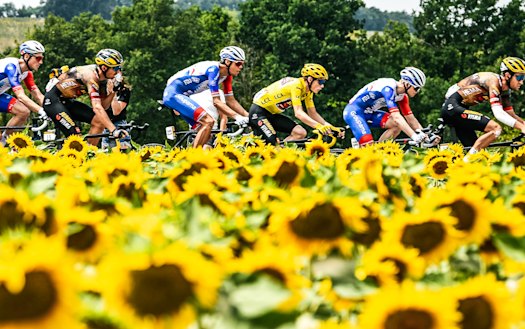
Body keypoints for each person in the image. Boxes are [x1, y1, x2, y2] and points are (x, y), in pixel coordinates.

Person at [162, 46, 249, 148]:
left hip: (182, 96)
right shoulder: (214, 70)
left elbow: (231, 101)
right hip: (173, 93)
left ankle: (186, 157)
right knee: (208, 121)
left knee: (206, 134)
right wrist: (237, 117)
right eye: (238, 63)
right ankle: (191, 158)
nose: (241, 67)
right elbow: (216, 101)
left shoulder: (227, 76)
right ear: (227, 62)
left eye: (242, 64)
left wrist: (248, 116)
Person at [441, 57, 525, 160]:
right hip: (453, 107)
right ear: (508, 75)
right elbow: (498, 114)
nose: (521, 82)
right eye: (519, 77)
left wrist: (523, 124)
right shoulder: (493, 81)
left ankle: (463, 166)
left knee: (479, 156)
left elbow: (510, 114)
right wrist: (521, 127)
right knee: (495, 129)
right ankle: (466, 162)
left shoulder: (505, 91)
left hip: (458, 109)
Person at [43, 48, 128, 145]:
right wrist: (114, 130)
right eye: (116, 68)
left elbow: (103, 107)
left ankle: (89, 153)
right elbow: (97, 107)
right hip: (53, 101)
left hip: (67, 102)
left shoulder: (104, 80)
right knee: (76, 137)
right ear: (104, 68)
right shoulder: (91, 76)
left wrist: (113, 91)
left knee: (99, 122)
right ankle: (74, 157)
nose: (118, 72)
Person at [248, 63, 341, 145]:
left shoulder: (308, 91)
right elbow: (298, 113)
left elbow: (312, 113)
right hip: (258, 113)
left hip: (271, 114)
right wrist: (319, 126)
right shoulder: (296, 85)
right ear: (309, 79)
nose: (322, 86)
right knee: (273, 143)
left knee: (300, 133)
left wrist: (330, 127)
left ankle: (281, 153)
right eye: (320, 82)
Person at [343, 67, 434, 147]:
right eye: (416, 88)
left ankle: (379, 150)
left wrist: (426, 136)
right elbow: (397, 117)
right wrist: (414, 136)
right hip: (354, 112)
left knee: (396, 126)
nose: (417, 92)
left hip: (368, 113)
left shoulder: (402, 97)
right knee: (368, 147)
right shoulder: (388, 88)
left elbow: (411, 120)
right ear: (407, 84)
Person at [0, 40, 47, 144]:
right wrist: (41, 111)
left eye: (42, 58)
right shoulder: (11, 67)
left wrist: (51, 109)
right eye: (38, 58)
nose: (41, 62)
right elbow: (20, 96)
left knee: (23, 112)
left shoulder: (27, 73)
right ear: (26, 56)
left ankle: (4, 143)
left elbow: (38, 95)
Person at [101, 73, 132, 150]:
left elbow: (116, 111)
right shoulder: (102, 90)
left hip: (119, 124)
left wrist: (113, 93)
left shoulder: (124, 90)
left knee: (123, 151)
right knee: (105, 152)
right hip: (106, 126)